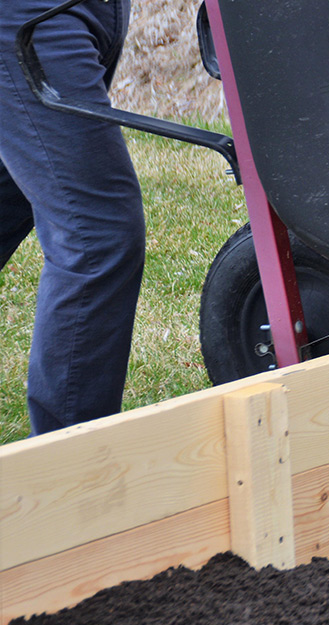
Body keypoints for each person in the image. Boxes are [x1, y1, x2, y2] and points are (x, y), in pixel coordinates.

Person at [0, 0, 145, 435]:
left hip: (86, 12)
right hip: (31, 14)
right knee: (96, 232)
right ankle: (70, 477)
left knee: (18, 193)